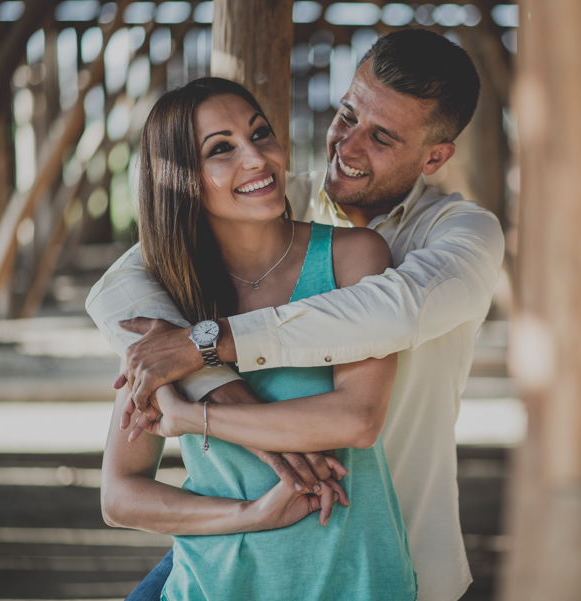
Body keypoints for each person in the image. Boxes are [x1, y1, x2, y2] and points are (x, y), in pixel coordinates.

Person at [87, 29, 505, 601]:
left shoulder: (460, 234)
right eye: (348, 115)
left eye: (381, 136)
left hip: (384, 549)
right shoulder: (268, 201)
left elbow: (391, 313)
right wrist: (214, 386)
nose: (347, 146)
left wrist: (205, 351)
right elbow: (122, 286)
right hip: (231, 556)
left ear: (434, 156)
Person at [100, 76, 417, 600]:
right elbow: (120, 495)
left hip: (352, 577)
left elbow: (357, 420)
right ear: (180, 178)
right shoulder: (167, 300)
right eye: (221, 149)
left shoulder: (353, 256)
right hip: (213, 583)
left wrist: (192, 418)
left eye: (260, 134)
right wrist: (250, 515)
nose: (257, 157)